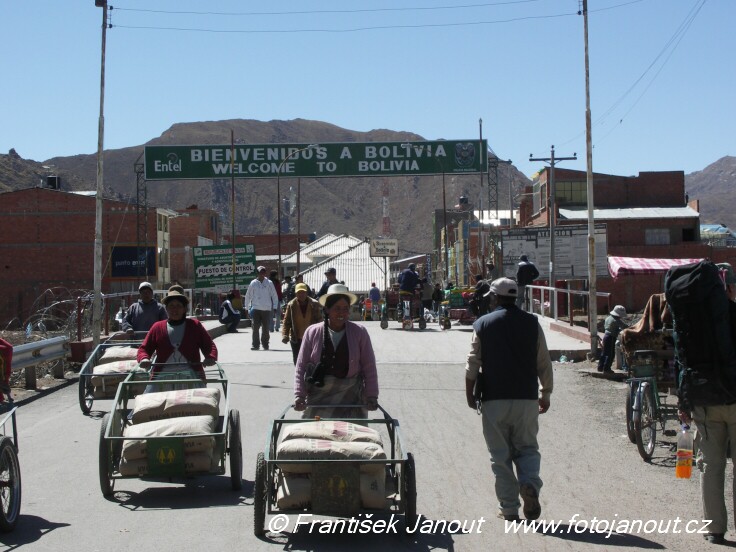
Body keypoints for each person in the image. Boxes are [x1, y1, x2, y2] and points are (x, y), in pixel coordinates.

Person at [464, 277, 553, 522]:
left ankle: (509, 508)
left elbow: (472, 364)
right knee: (527, 448)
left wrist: (470, 395)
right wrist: (545, 393)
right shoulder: (532, 323)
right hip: (526, 399)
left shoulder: (482, 324)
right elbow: (543, 362)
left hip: (494, 400)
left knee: (500, 456)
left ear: (494, 297)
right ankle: (529, 482)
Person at [681, 262, 736, 544]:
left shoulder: (690, 320)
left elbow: (682, 362)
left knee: (711, 466)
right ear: (728, 289)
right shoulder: (733, 313)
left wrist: (684, 401)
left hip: (704, 403)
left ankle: (714, 529)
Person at [294, 283, 379, 418]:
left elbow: (369, 366)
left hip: (351, 397)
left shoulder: (359, 332)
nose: (341, 313)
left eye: (345, 309)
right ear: (327, 309)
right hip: (319, 398)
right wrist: (300, 395)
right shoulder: (312, 332)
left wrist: (371, 396)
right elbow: (301, 366)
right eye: (337, 308)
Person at [137, 289, 217, 381]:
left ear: (184, 309)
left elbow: (209, 345)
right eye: (171, 306)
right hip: (163, 376)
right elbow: (144, 349)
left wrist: (210, 357)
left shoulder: (195, 325)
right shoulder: (157, 327)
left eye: (178, 306)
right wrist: (144, 358)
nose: (175, 309)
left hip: (191, 375)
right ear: (166, 309)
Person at [282, 283, 323, 365]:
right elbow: (286, 321)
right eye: (299, 293)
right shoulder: (291, 305)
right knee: (297, 359)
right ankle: (298, 372)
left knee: (310, 359)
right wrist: (285, 335)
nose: (301, 295)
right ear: (296, 294)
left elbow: (319, 319)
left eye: (303, 292)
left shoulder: (314, 304)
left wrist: (322, 333)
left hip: (311, 337)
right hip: (296, 337)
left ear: (306, 293)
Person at [243, 266, 279, 350]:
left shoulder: (269, 283)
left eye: (263, 272)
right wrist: (246, 308)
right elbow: (248, 296)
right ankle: (255, 345)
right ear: (257, 273)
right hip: (256, 308)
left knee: (266, 328)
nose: (262, 274)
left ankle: (265, 344)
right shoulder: (253, 283)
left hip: (266, 309)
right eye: (260, 272)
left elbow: (274, 295)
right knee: (255, 328)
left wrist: (274, 307)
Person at [597, 305, 628, 373]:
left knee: (604, 352)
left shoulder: (608, 318)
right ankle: (607, 369)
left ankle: (600, 367)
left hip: (605, 336)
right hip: (611, 338)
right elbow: (625, 326)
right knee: (610, 354)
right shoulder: (616, 320)